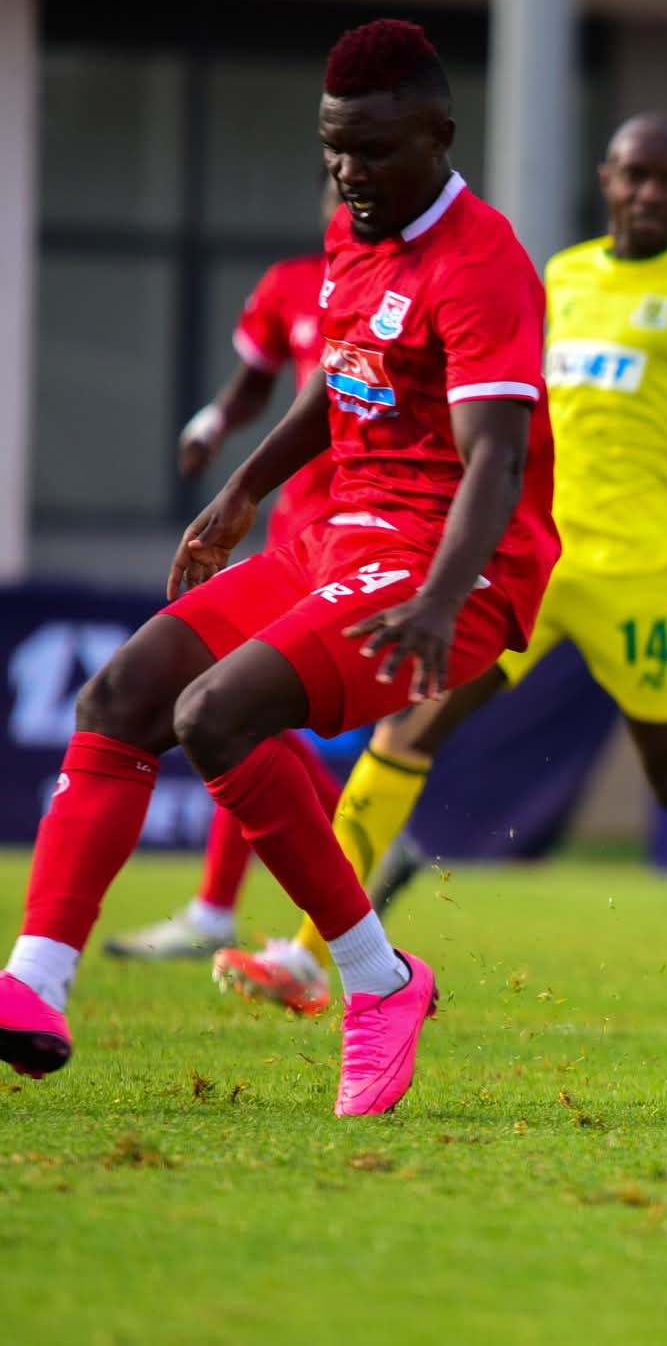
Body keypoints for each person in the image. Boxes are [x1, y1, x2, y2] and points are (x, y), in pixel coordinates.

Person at [0, 19, 558, 1118]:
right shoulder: (360, 229)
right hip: (335, 537)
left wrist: (445, 599)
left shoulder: (481, 264)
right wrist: (242, 492)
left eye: (375, 148)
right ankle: (34, 984)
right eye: (333, 149)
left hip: (450, 570)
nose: (349, 172)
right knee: (117, 700)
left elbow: (495, 454)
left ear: (440, 135)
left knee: (215, 715)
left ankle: (376, 984)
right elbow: (335, 383)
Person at [209, 114, 667, 1027]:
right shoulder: (565, 275)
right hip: (530, 561)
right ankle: (309, 954)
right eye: (636, 175)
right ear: (607, 178)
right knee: (408, 732)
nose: (651, 193)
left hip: (640, 575)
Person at [101, 180, 379, 965]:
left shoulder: (418, 275)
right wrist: (215, 423)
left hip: (372, 531)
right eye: (337, 169)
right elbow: (263, 383)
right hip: (295, 522)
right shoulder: (295, 283)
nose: (349, 186)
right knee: (236, 704)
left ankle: (240, 904)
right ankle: (360, 854)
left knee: (239, 703)